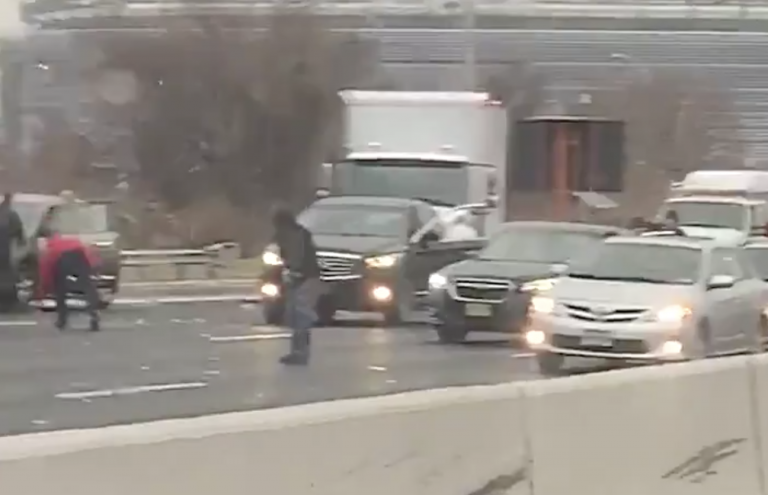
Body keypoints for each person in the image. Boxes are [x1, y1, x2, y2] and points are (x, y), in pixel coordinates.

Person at [272, 206, 321, 365]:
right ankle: (298, 351)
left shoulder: (294, 235)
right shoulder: (294, 234)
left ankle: (300, 352)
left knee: (300, 315)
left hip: (305, 277)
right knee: (295, 315)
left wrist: (292, 271)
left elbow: (296, 257)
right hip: (301, 276)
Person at [37, 224, 101, 331]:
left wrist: (44, 288)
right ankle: (93, 313)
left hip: (64, 265)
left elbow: (46, 270)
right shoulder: (74, 241)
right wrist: (93, 270)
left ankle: (62, 319)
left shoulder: (50, 248)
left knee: (60, 290)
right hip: (80, 261)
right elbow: (89, 255)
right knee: (87, 288)